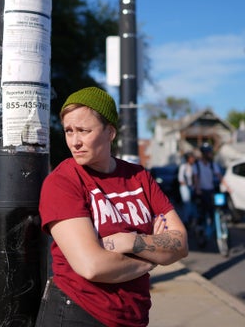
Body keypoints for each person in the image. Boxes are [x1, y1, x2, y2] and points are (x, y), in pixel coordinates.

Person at [37, 87, 188, 327]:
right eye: (68, 131)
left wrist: (129, 242)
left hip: (134, 316)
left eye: (84, 131)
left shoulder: (139, 177)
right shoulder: (63, 182)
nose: (75, 141)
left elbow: (180, 243)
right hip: (77, 313)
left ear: (110, 132)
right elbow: (92, 266)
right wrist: (154, 258)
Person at [194, 142, 223, 246]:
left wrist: (228, 188)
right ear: (205, 153)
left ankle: (213, 230)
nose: (211, 154)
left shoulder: (212, 164)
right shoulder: (197, 165)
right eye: (209, 152)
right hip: (201, 191)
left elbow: (219, 176)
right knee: (202, 213)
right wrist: (197, 189)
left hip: (211, 191)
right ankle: (200, 230)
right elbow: (196, 178)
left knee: (214, 210)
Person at [177, 152, 197, 226]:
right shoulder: (183, 166)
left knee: (191, 204)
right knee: (186, 203)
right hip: (185, 187)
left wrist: (194, 186)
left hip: (191, 187)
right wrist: (187, 186)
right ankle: (185, 220)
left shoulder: (193, 166)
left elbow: (195, 177)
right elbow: (181, 179)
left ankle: (190, 218)